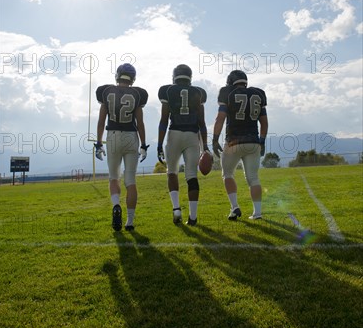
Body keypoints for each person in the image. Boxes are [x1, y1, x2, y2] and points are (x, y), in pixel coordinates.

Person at [95, 63, 149, 232]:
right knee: (130, 181)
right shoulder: (137, 94)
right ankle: (130, 221)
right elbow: (140, 122)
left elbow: (101, 121)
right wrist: (144, 145)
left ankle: (116, 205)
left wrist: (98, 143)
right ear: (132, 78)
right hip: (131, 137)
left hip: (113, 136)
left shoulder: (106, 92)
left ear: (118, 75)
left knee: (113, 178)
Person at [157, 64, 209, 226]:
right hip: (192, 136)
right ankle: (193, 217)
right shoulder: (199, 93)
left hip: (174, 135)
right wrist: (205, 146)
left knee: (172, 172)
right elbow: (202, 123)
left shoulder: (167, 91)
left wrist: (159, 143)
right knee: (191, 176)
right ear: (190, 77)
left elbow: (164, 120)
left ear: (174, 77)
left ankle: (176, 209)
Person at [212, 70, 268, 220]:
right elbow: (264, 122)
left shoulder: (227, 92)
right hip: (253, 142)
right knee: (253, 178)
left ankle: (235, 207)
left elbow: (220, 118)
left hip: (233, 142)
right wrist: (262, 141)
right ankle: (257, 213)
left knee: (227, 174)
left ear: (230, 82)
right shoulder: (258, 94)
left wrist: (215, 139)